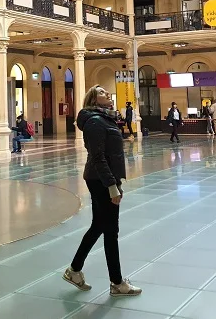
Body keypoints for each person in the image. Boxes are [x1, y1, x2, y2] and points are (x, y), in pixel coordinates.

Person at [63, 85, 142, 297]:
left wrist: (115, 181)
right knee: (110, 231)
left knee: (99, 226)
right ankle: (117, 282)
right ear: (93, 99)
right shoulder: (95, 122)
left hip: (104, 178)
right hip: (100, 180)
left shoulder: (105, 119)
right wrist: (111, 186)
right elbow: (98, 158)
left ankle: (74, 270)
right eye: (101, 92)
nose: (107, 93)